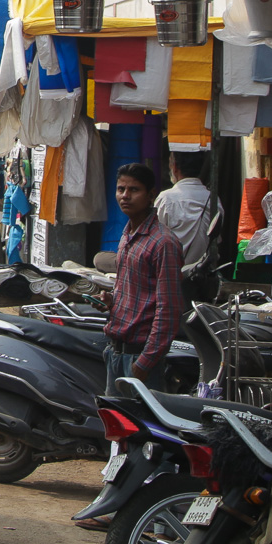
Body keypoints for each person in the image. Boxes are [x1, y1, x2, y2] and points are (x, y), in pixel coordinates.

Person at [103, 163, 183, 391]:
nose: (125, 196)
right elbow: (135, 290)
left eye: (134, 190)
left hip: (139, 356)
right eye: (121, 189)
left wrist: (145, 362)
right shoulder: (128, 233)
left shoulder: (163, 243)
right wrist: (111, 301)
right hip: (117, 352)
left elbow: (168, 309)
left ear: (150, 195)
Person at [153, 150, 214, 267]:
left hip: (171, 272)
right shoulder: (213, 199)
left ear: (174, 167)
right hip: (202, 273)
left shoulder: (166, 198)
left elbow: (155, 240)